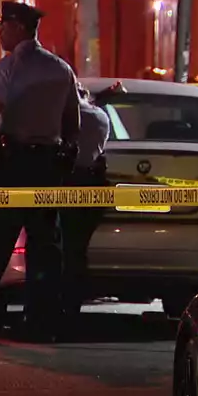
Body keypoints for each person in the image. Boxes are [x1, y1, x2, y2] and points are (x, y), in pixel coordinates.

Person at [0, 1, 81, 344]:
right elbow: (74, 123)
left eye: (4, 27)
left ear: (22, 29)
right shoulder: (61, 69)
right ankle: (42, 324)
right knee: (45, 247)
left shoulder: (9, 68)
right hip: (46, 166)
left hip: (11, 164)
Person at [60, 82, 113, 322]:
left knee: (60, 247)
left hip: (67, 183)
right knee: (77, 249)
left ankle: (58, 303)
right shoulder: (100, 116)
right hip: (93, 185)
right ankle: (73, 303)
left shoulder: (63, 117)